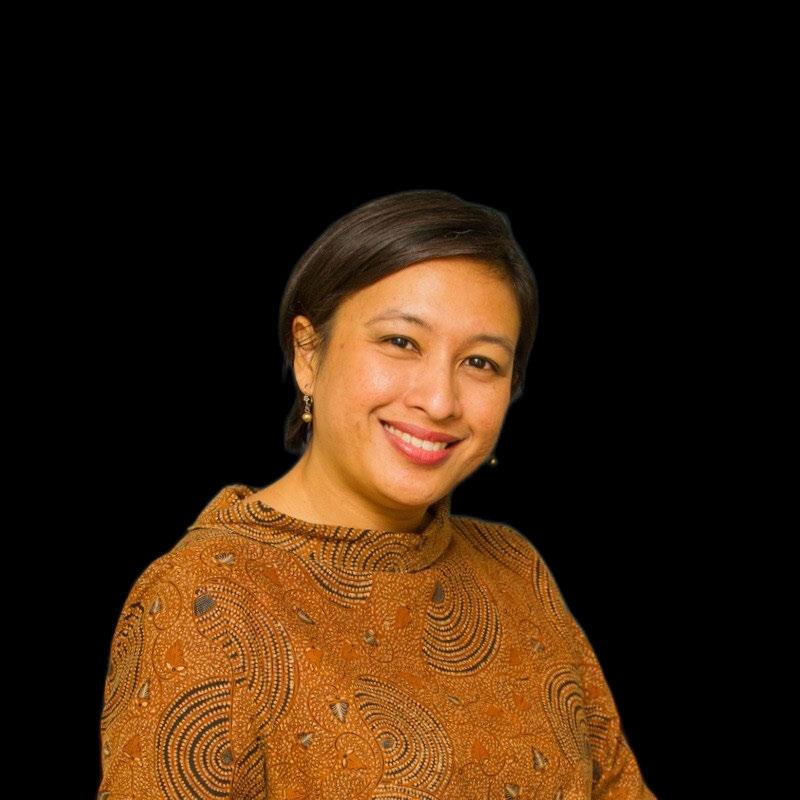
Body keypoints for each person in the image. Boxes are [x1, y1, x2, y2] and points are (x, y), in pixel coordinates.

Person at [97, 189, 656, 799]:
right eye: (400, 342)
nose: (439, 401)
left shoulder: (514, 566)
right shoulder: (202, 601)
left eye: (480, 363)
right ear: (308, 354)